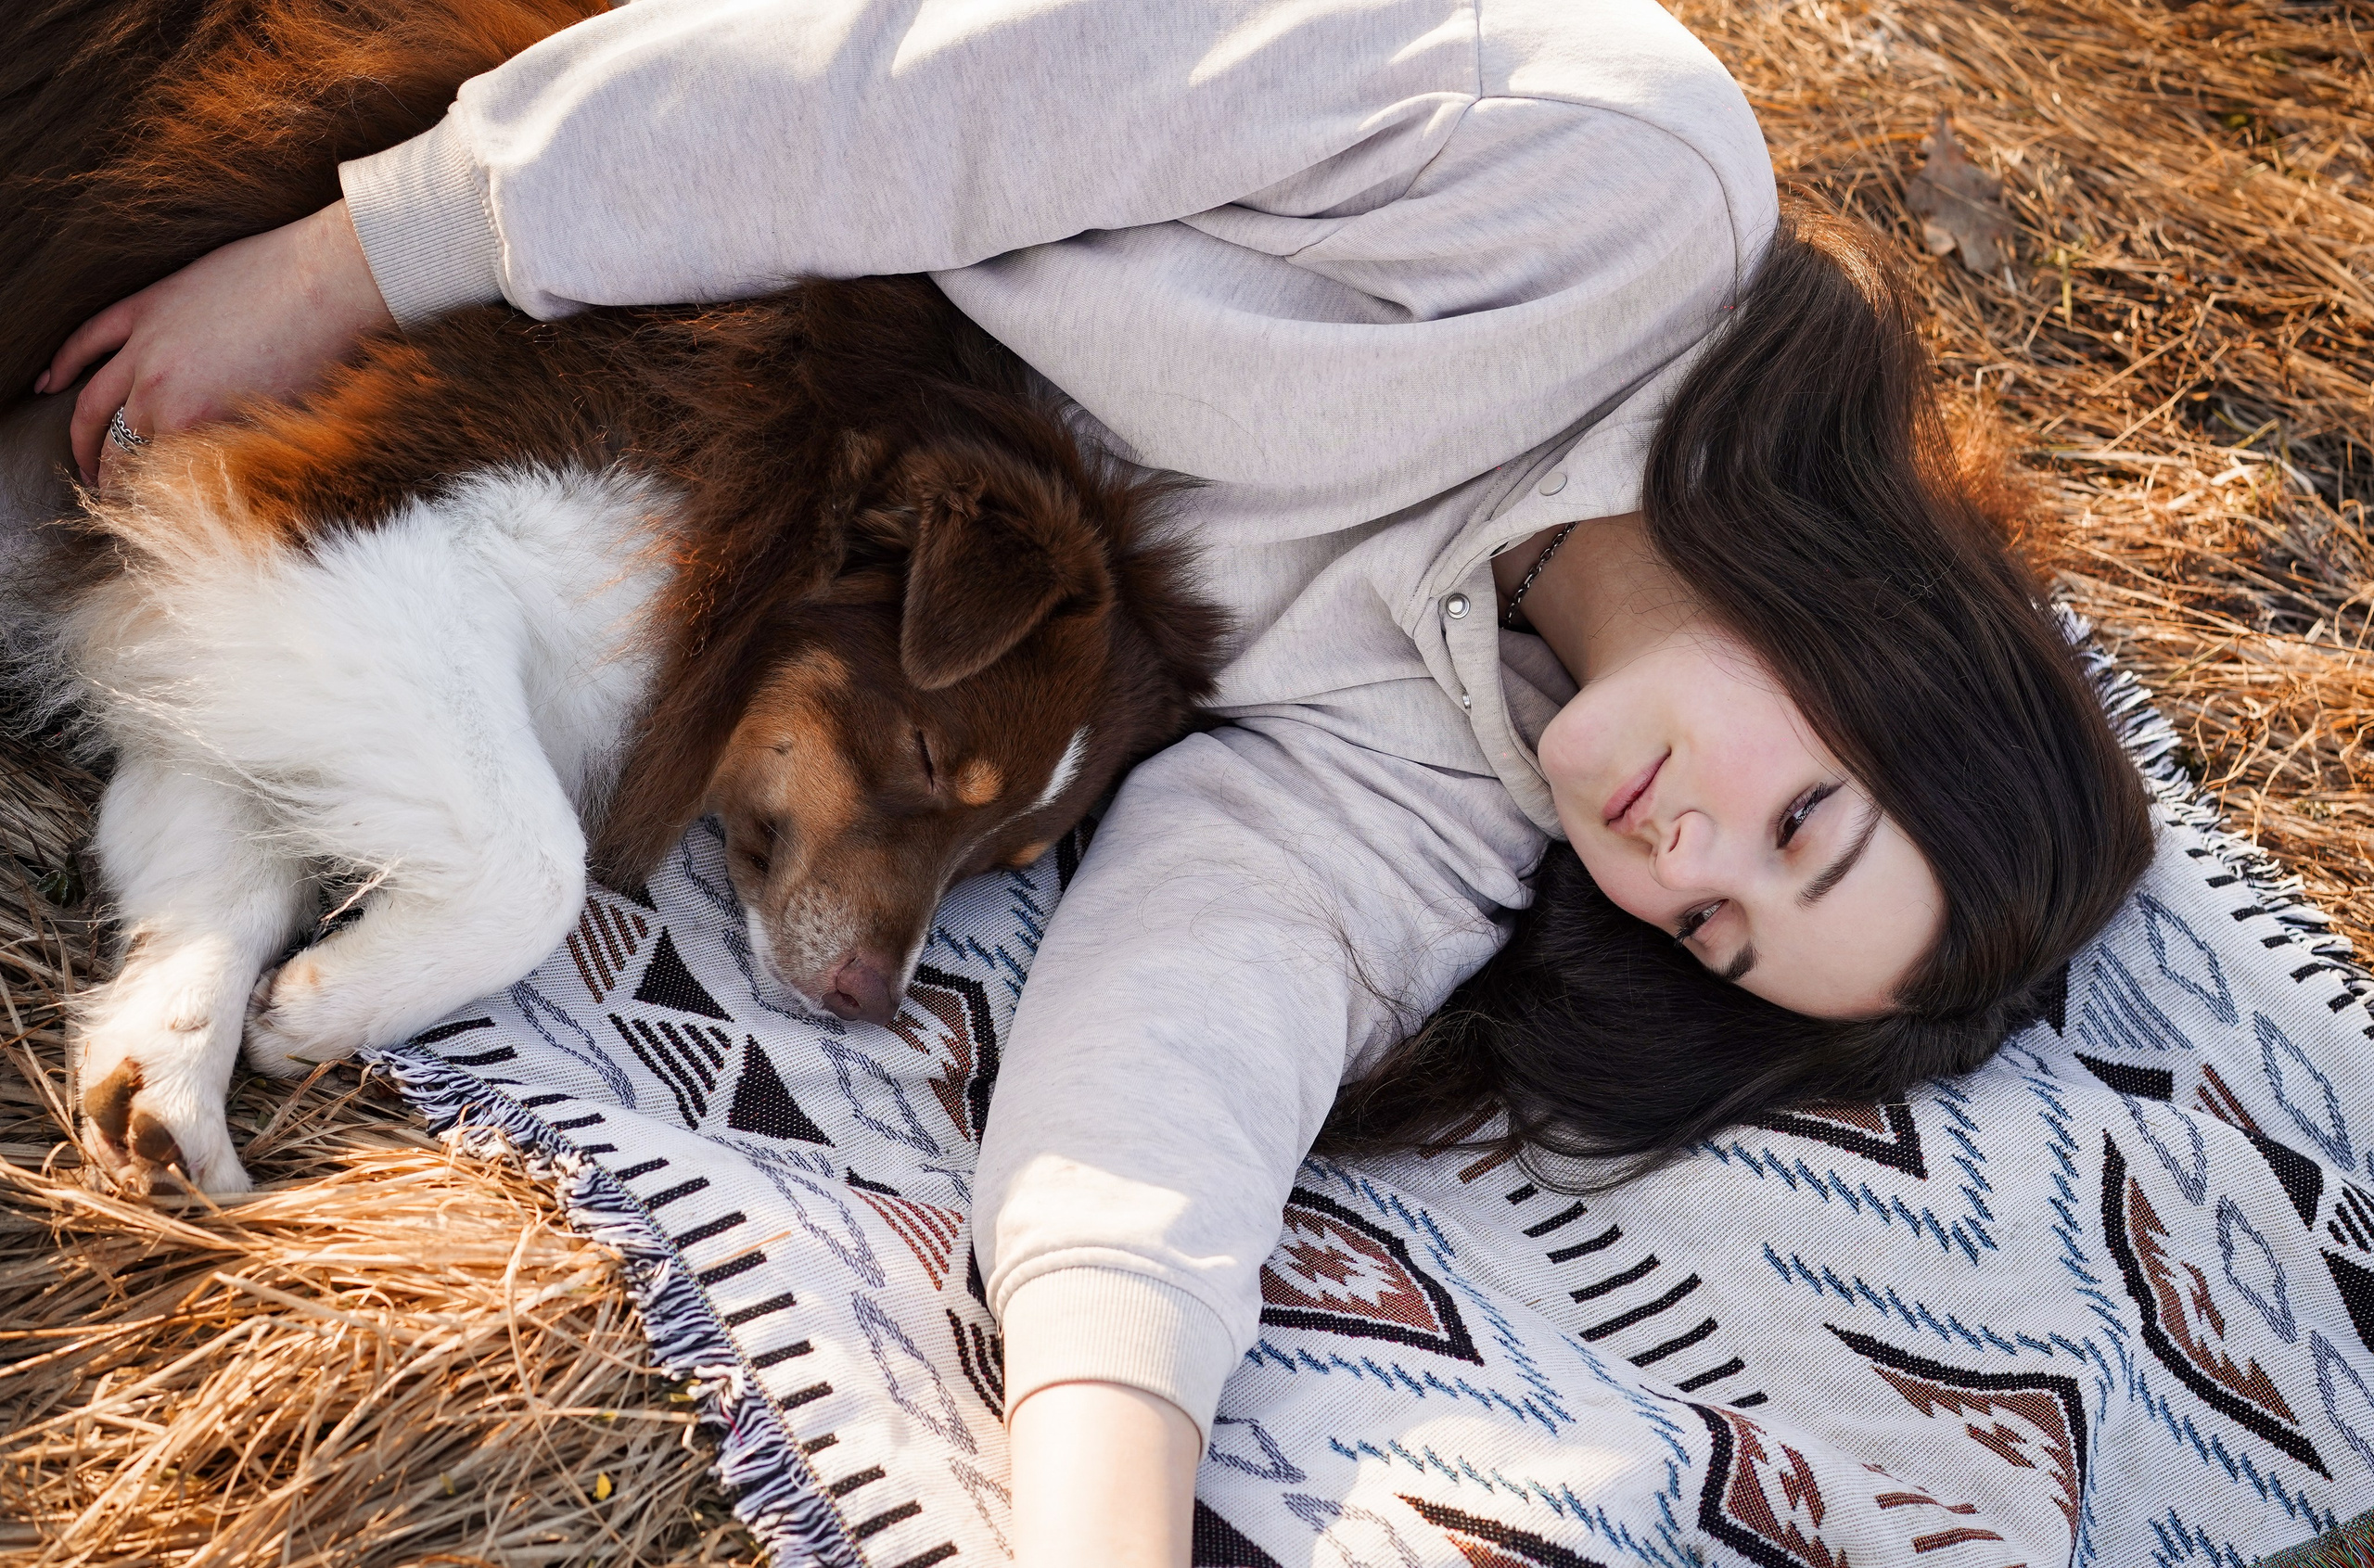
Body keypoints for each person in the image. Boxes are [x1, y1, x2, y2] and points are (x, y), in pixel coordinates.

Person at [31, 2, 2152, 1562]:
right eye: (1804, 825)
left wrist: (1097, 1517)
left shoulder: (1449, 765)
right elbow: (921, 88)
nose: (1684, 857)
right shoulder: (1611, 180)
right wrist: (358, 251)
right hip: (639, 107)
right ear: (1900, 643)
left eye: (1714, 929)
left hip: (705, 382)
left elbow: (1185, 1057)